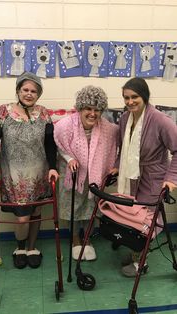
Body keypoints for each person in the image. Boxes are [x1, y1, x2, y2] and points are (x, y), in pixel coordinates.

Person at [0, 72, 59, 269]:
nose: (29, 94)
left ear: (38, 94)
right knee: (22, 216)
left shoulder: (44, 113)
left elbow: (50, 144)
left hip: (39, 173)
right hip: (14, 175)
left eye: (33, 91)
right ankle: (20, 247)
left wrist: (53, 167)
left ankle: (32, 247)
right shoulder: (3, 112)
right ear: (18, 90)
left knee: (35, 211)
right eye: (25, 90)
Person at [112, 77, 177, 277]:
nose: (130, 101)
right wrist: (116, 167)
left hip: (153, 177)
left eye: (135, 97)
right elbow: (123, 148)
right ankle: (136, 252)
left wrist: (172, 178)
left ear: (145, 96)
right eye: (126, 98)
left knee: (146, 220)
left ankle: (141, 261)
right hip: (130, 175)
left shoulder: (160, 120)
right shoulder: (125, 119)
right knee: (132, 216)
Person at [54, 85, 118, 261]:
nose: (93, 113)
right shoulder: (64, 125)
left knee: (90, 207)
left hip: (94, 174)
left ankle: (87, 239)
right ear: (80, 108)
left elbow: (114, 143)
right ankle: (75, 240)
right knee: (73, 206)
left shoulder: (107, 128)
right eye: (88, 108)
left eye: (97, 110)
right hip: (72, 173)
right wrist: (69, 159)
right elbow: (60, 146)